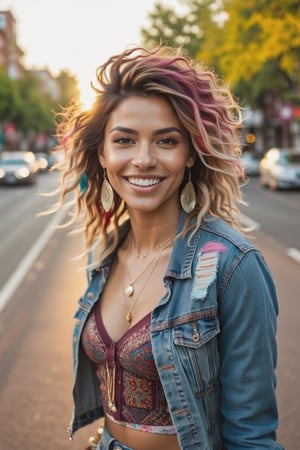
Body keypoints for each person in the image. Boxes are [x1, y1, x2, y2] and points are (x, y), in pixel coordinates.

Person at [54, 46, 284, 449]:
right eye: (124, 140)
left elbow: (252, 436)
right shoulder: (104, 254)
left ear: (190, 153)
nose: (143, 159)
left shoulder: (232, 266)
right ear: (103, 154)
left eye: (166, 141)